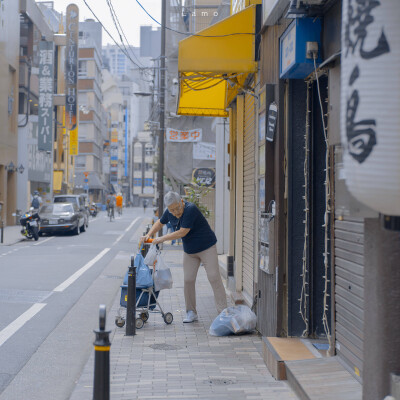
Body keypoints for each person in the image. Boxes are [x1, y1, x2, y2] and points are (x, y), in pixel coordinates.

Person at [140, 191, 227, 323]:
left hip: (207, 247)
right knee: (188, 280)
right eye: (172, 210)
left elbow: (182, 232)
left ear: (182, 202)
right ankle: (191, 312)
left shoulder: (190, 209)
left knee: (214, 277)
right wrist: (149, 234)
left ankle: (223, 312)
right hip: (190, 252)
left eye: (177, 208)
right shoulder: (169, 212)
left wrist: (160, 239)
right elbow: (160, 222)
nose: (175, 212)